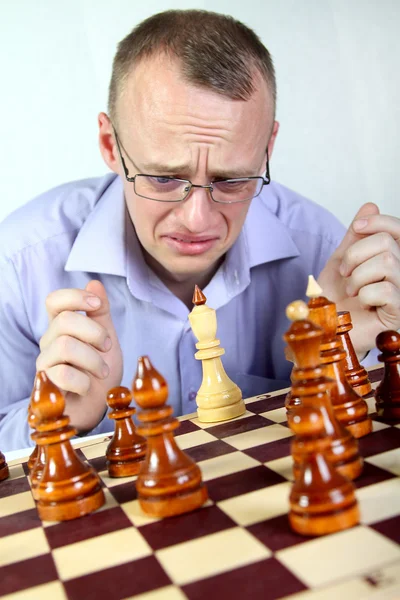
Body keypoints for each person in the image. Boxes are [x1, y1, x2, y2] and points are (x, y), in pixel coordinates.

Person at [1, 10, 399, 452]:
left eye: (231, 180)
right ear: (111, 146)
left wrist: (352, 358)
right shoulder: (18, 266)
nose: (197, 219)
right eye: (163, 178)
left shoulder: (322, 254)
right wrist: (58, 421)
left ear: (267, 150)